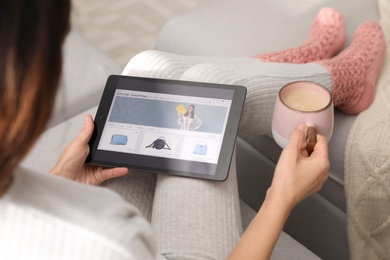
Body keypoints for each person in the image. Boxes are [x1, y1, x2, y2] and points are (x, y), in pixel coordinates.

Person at [0, 1, 385, 259]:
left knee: (147, 69)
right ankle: (334, 77)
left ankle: (294, 68)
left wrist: (60, 182)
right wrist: (280, 196)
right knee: (209, 80)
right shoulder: (110, 240)